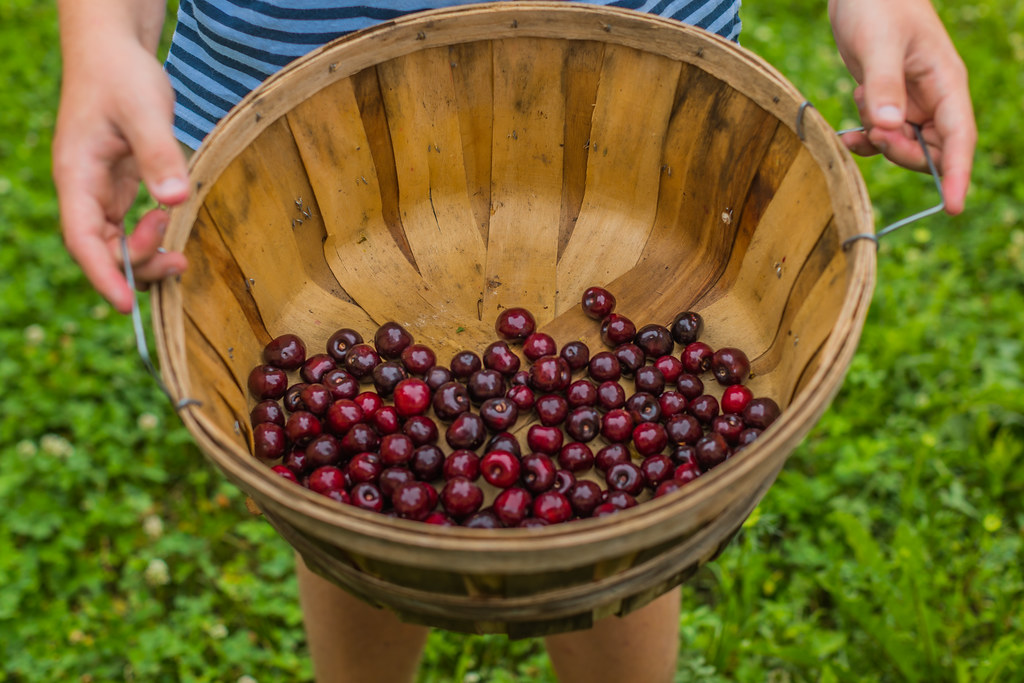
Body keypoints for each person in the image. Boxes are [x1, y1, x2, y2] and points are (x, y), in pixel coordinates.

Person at [52, 1, 977, 681]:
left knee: (620, 539)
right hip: (294, 98)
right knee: (348, 526)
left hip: (632, 75)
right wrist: (101, 35)